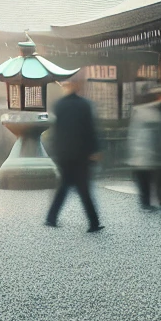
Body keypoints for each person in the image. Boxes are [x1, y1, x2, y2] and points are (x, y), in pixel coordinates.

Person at [46, 72, 103, 231]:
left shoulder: (59, 105)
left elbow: (55, 132)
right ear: (77, 86)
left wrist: (55, 151)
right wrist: (95, 150)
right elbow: (90, 130)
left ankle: (51, 217)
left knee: (64, 187)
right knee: (83, 189)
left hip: (64, 154)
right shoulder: (84, 105)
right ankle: (94, 223)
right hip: (81, 154)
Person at [127, 87, 161, 209]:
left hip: (147, 154)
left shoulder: (145, 112)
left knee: (149, 180)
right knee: (152, 179)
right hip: (148, 153)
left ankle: (150, 202)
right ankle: (157, 202)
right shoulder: (155, 113)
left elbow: (134, 135)